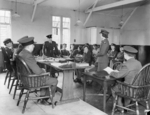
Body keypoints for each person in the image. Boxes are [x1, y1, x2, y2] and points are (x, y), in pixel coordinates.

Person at [18, 36, 58, 104]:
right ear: (29, 46)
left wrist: (41, 70)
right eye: (33, 45)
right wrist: (44, 71)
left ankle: (42, 96)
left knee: (44, 76)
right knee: (54, 80)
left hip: (24, 79)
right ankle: (45, 99)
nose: (33, 46)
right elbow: (38, 72)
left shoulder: (21, 53)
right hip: (31, 80)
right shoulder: (28, 55)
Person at [110, 46, 142, 111]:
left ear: (125, 54)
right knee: (126, 85)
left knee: (114, 89)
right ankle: (126, 106)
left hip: (129, 89)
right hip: (139, 88)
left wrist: (111, 72)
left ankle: (120, 108)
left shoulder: (127, 65)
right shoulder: (138, 63)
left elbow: (118, 75)